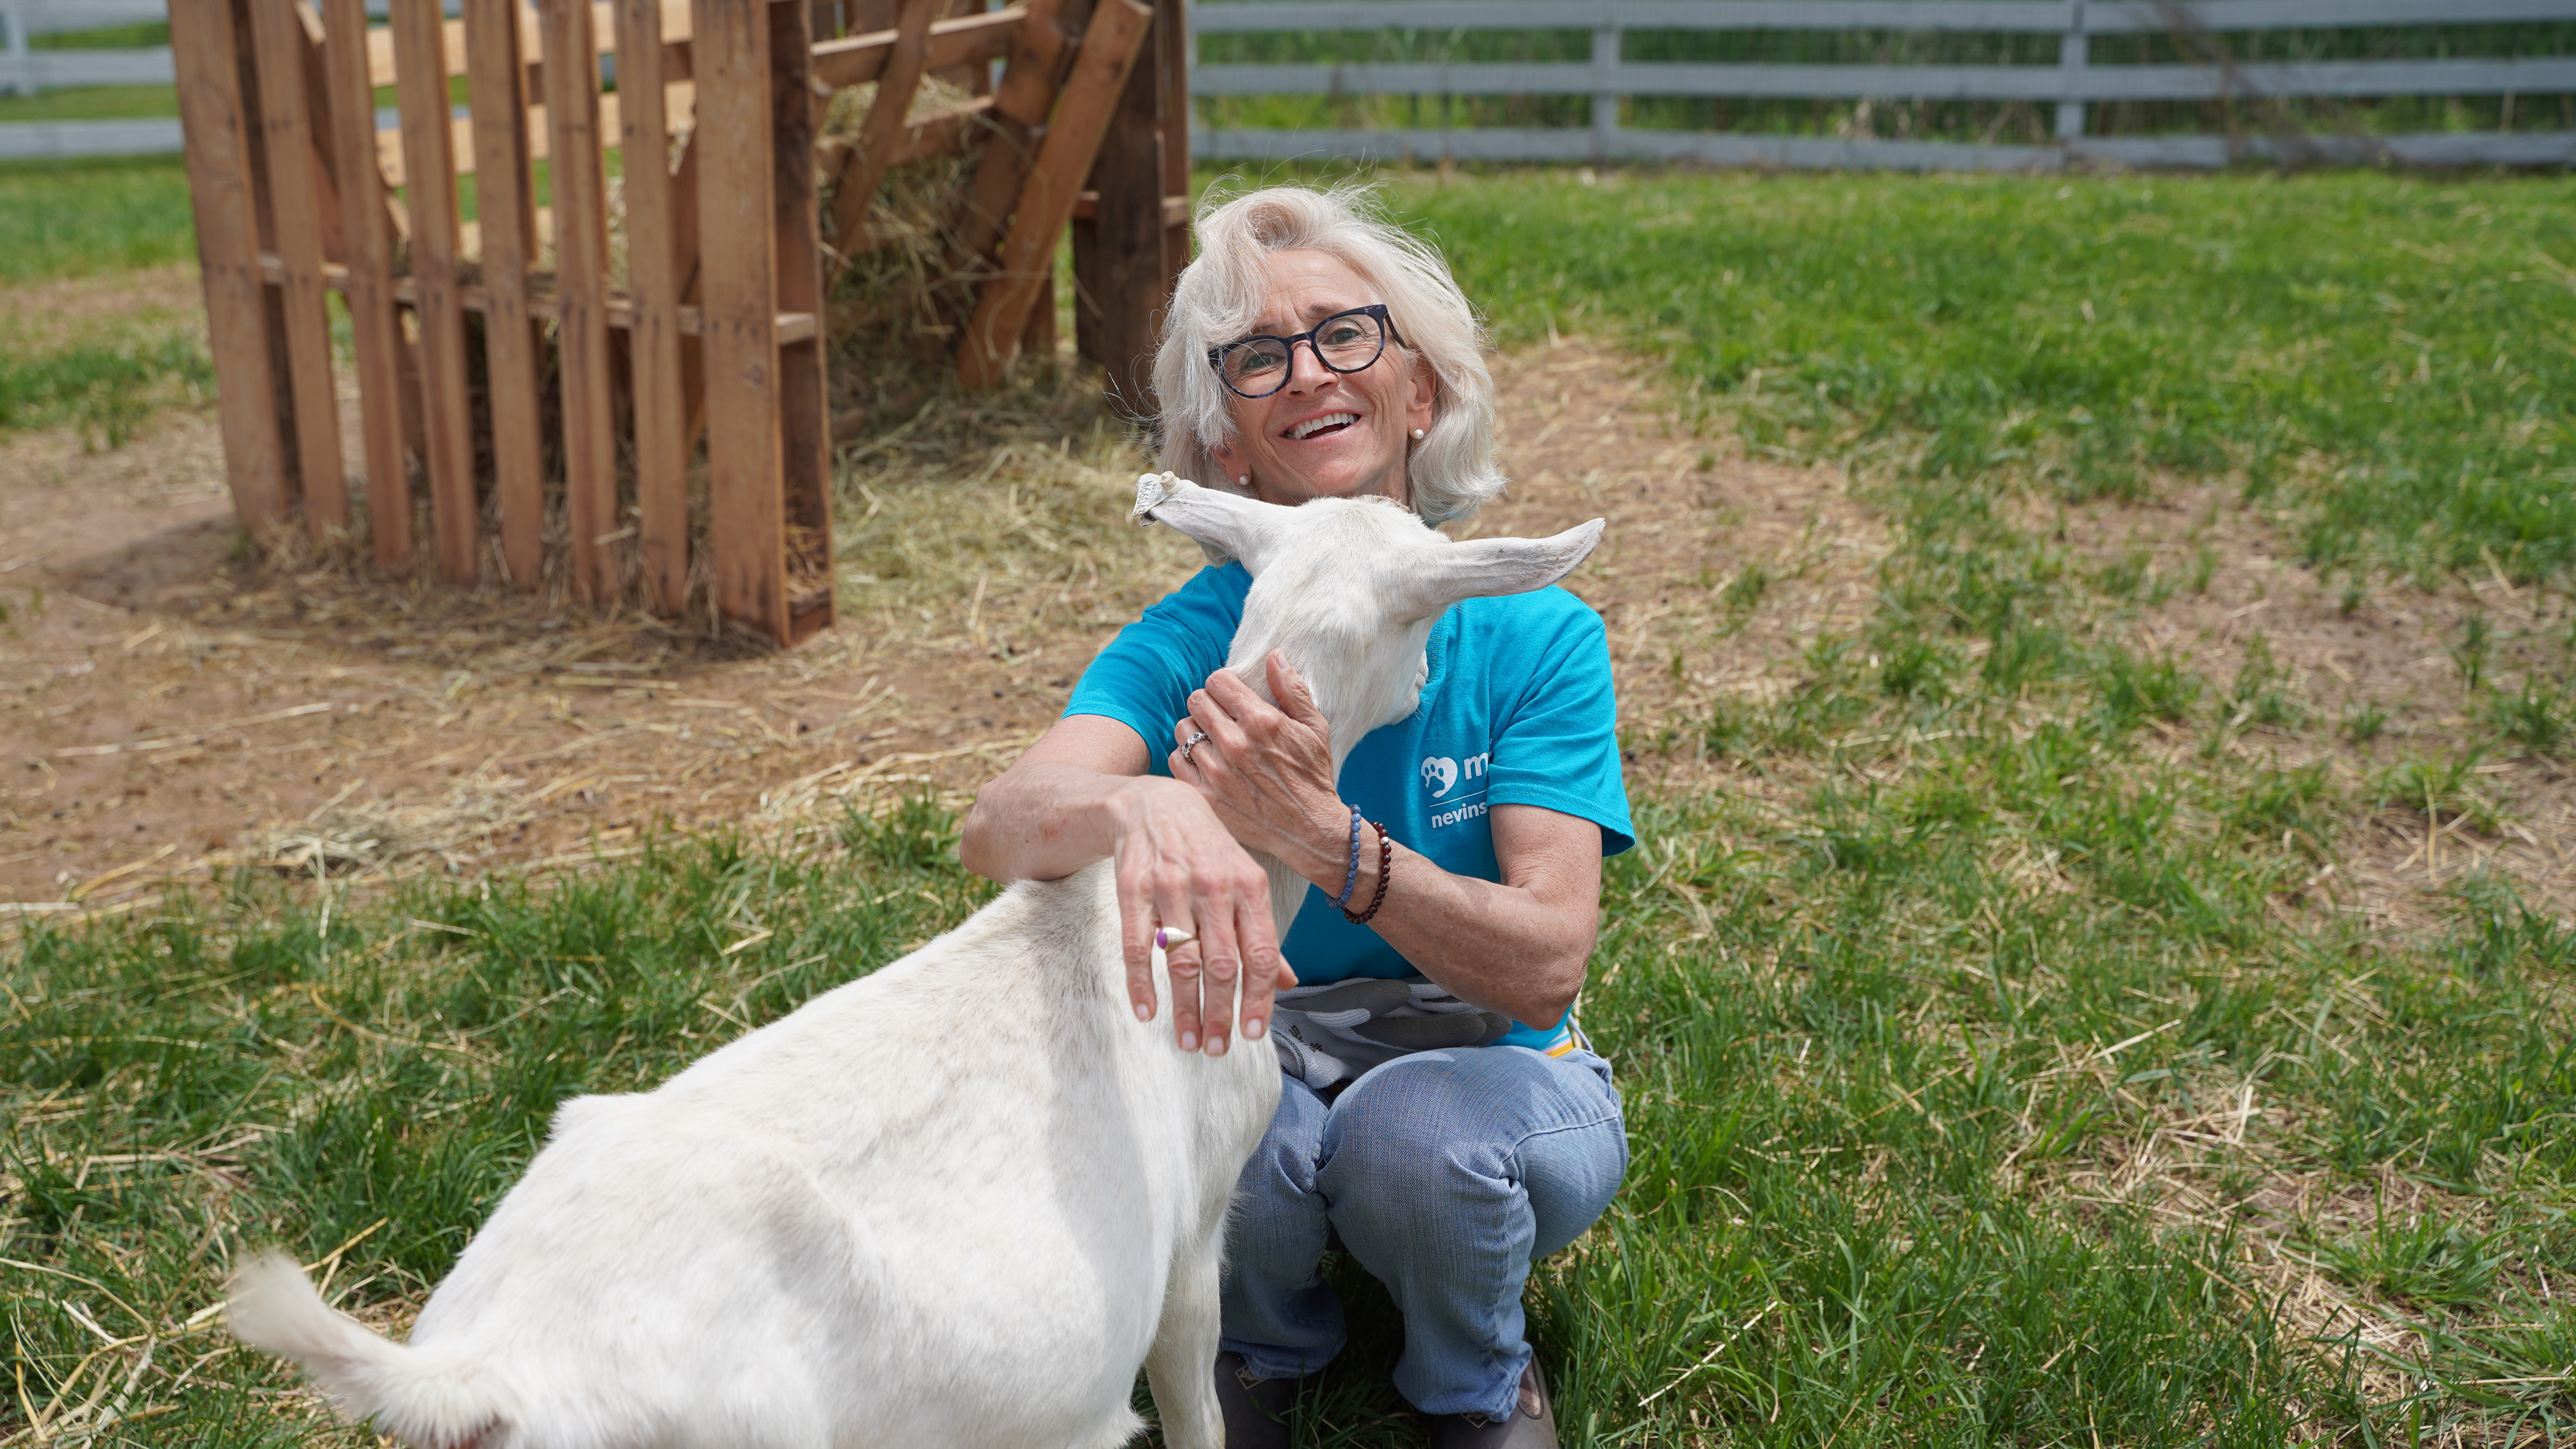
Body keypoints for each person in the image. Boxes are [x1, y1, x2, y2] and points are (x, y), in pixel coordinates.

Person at [959, 185, 1633, 1449]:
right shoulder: (1193, 638)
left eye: (1345, 335)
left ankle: (1477, 1379)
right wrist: (1150, 801)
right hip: (1264, 1032)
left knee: (1413, 1144)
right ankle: (1262, 1350)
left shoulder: (1531, 633)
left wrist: (1324, 839)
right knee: (1227, 1122)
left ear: (1420, 393)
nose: (1306, 373)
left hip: (1492, 1067)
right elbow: (1003, 825)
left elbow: (1545, 965)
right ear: (1227, 450)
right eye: (1257, 360)